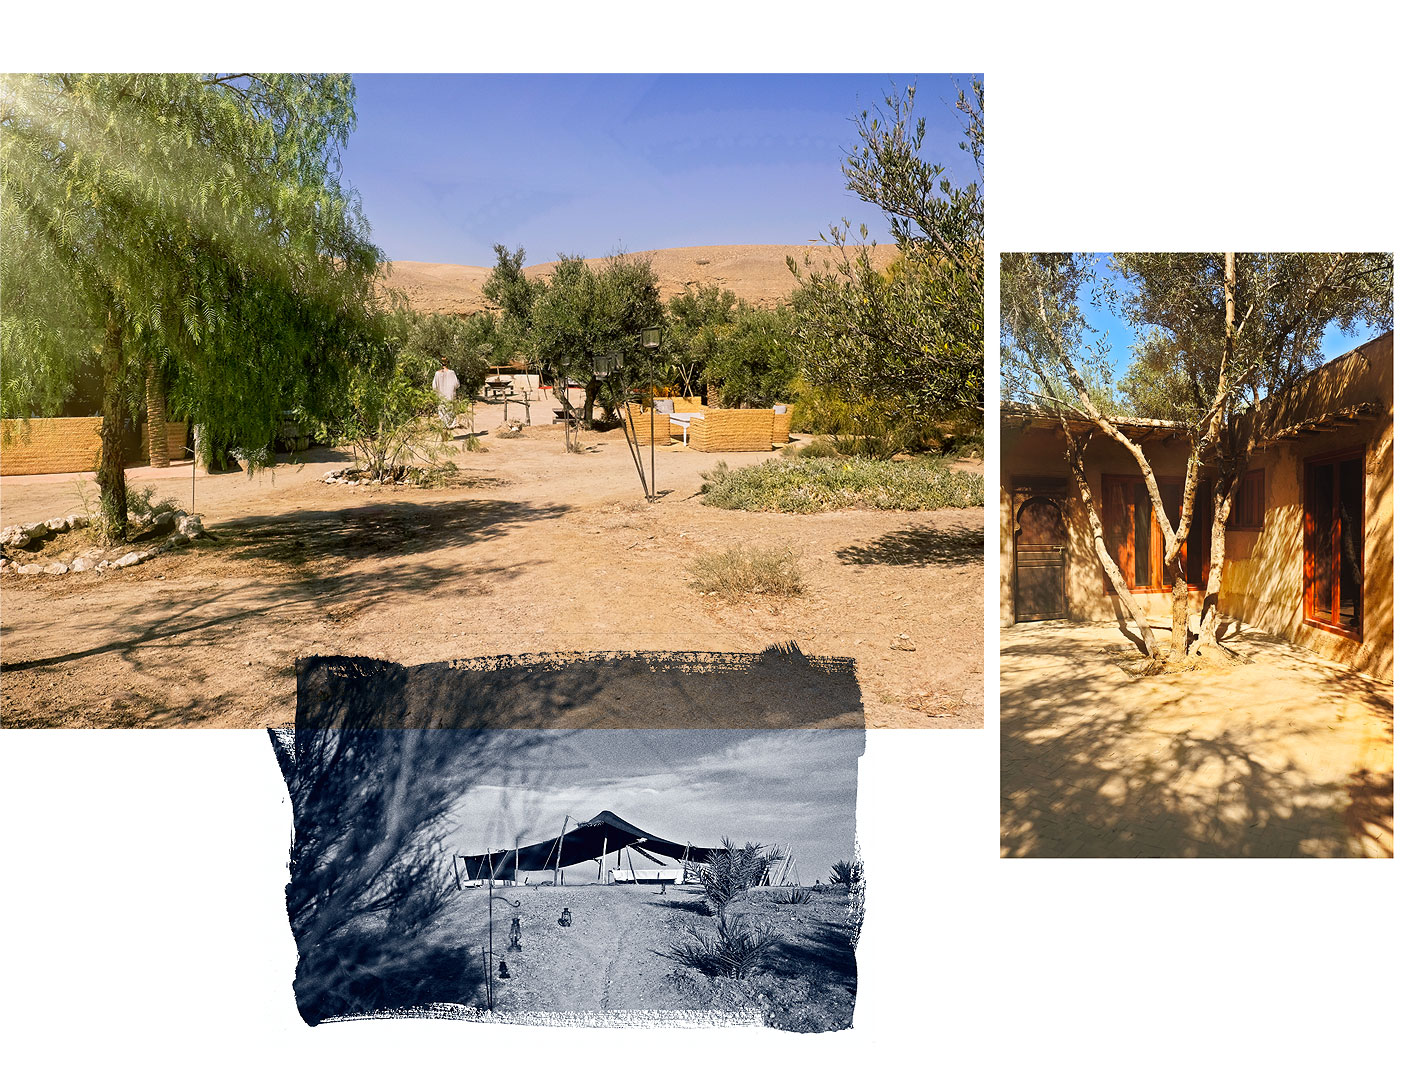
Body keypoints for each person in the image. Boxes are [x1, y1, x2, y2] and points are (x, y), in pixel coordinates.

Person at [432, 358, 460, 428]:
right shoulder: (452, 373)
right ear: (448, 363)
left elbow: (434, 387)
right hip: (450, 396)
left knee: (442, 413)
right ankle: (450, 428)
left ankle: (444, 430)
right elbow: (457, 384)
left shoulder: (437, 373)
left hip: (441, 397)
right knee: (450, 413)